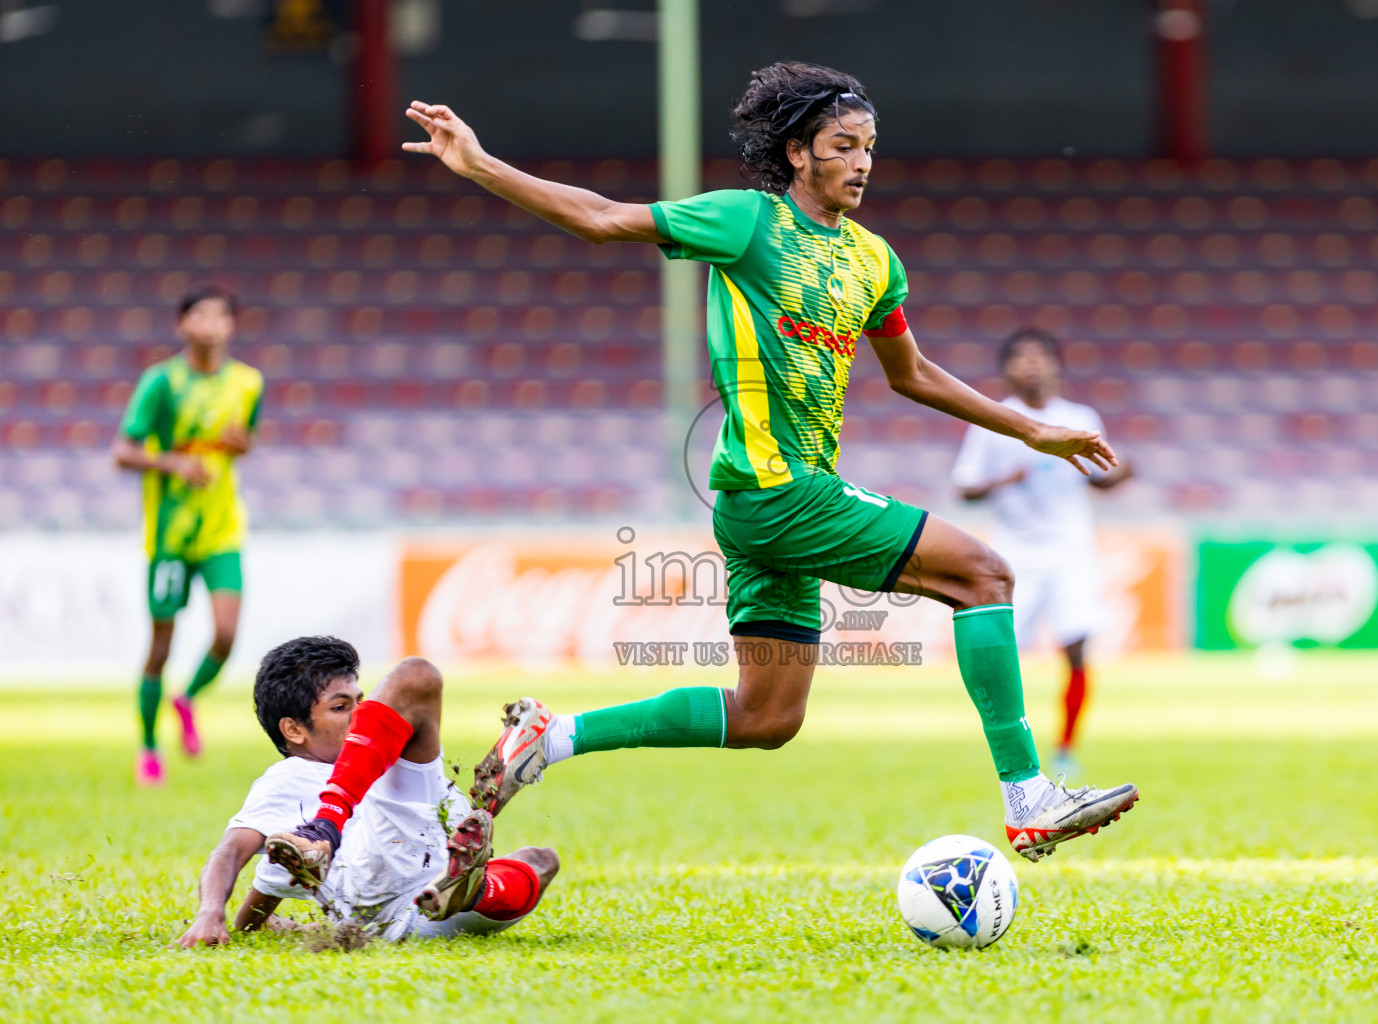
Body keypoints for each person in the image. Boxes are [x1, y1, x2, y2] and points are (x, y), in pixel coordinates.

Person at [274, 60, 1139, 874]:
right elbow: (602, 217)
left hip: (774, 503)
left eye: (870, 147)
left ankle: (552, 736)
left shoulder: (875, 259)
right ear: (797, 153)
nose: (862, 162)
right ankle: (1029, 795)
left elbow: (910, 374)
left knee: (767, 718)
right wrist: (483, 165)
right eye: (843, 146)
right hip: (779, 489)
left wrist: (1030, 430)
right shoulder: (749, 221)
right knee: (983, 574)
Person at [175, 636, 558, 948]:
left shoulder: (373, 758)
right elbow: (229, 851)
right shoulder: (289, 778)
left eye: (363, 704)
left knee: (541, 860)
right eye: (342, 707)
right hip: (377, 880)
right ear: (293, 730)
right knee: (417, 674)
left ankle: (468, 888)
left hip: (417, 917)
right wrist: (210, 915)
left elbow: (262, 897)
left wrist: (270, 925)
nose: (361, 717)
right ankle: (334, 833)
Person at [951, 329, 1135, 779]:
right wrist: (1006, 479)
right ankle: (1010, 743)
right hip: (1014, 553)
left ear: (1056, 366)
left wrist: (1123, 471)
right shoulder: (993, 420)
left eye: (1040, 355)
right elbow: (965, 486)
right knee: (1004, 654)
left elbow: (1101, 475)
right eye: (1020, 356)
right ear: (1007, 369)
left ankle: (1067, 747)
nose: (1031, 363)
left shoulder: (1079, 416)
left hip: (1071, 548)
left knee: (1076, 646)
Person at [111, 285, 264, 786]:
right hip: (170, 534)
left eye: (221, 315)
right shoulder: (161, 383)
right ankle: (149, 746)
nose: (210, 324)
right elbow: (123, 450)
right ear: (182, 326)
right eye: (200, 315)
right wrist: (174, 461)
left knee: (225, 633)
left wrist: (241, 447)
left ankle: (188, 699)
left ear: (231, 326)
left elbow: (244, 441)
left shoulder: (247, 382)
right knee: (161, 645)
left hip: (222, 530)